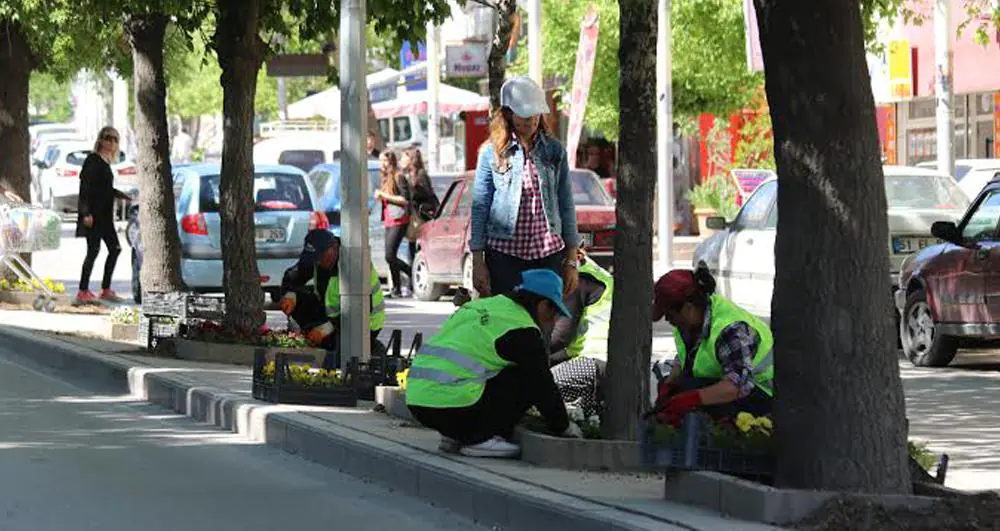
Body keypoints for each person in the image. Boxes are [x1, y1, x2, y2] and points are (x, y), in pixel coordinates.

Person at [407, 269, 583, 458]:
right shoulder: (522, 329)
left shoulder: (482, 306)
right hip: (453, 405)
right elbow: (543, 387)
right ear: (542, 304)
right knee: (526, 377)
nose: (553, 319)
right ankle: (480, 438)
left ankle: (456, 434)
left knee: (492, 369)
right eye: (554, 311)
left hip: (418, 400)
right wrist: (563, 427)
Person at [470, 76, 579, 298]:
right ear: (508, 114)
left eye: (534, 115)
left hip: (548, 256)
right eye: (523, 116)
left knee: (543, 326)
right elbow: (480, 207)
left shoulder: (555, 152)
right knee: (507, 325)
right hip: (503, 257)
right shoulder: (491, 153)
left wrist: (571, 259)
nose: (529, 121)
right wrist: (478, 260)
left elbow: (566, 204)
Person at [647, 266, 774, 425]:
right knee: (678, 389)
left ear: (688, 308)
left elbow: (738, 386)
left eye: (669, 314)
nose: (667, 320)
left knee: (690, 396)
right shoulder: (687, 324)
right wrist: (669, 385)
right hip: (728, 384)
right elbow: (684, 358)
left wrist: (691, 399)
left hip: (763, 395)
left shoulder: (730, 330)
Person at [278, 229, 386, 369]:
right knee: (300, 298)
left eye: (321, 257)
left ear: (334, 249)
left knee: (339, 356)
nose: (318, 262)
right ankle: (313, 337)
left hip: (364, 324)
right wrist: (290, 296)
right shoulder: (318, 256)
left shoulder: (353, 264)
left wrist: (325, 329)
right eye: (315, 258)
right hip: (334, 316)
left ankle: (360, 349)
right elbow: (293, 275)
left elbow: (358, 311)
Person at [548, 245, 614, 418]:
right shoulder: (593, 272)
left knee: (538, 386)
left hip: (595, 363)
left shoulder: (576, 279)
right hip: (604, 363)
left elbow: (560, 338)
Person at [76, 126, 131, 304]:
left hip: (106, 216)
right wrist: (86, 213)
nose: (111, 142)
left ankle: (105, 289)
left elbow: (104, 188)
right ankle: (82, 291)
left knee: (115, 249)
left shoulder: (106, 162)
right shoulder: (92, 160)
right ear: (100, 140)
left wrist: (121, 195)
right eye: (108, 138)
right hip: (93, 215)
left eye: (115, 139)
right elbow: (85, 188)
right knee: (93, 251)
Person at [373, 151, 412, 298]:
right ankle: (396, 288)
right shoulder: (385, 178)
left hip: (399, 219)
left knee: (390, 255)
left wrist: (384, 196)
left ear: (391, 162)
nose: (382, 164)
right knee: (390, 255)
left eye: (385, 161)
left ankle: (410, 272)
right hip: (389, 219)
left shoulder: (398, 176)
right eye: (381, 161)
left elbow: (405, 199)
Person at [400, 146, 439, 263]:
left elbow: (428, 194)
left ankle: (418, 269)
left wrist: (413, 190)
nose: (401, 160)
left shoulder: (421, 174)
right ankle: (413, 272)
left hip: (422, 215)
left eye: (404, 157)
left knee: (419, 245)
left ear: (411, 159)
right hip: (414, 216)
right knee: (412, 243)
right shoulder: (407, 175)